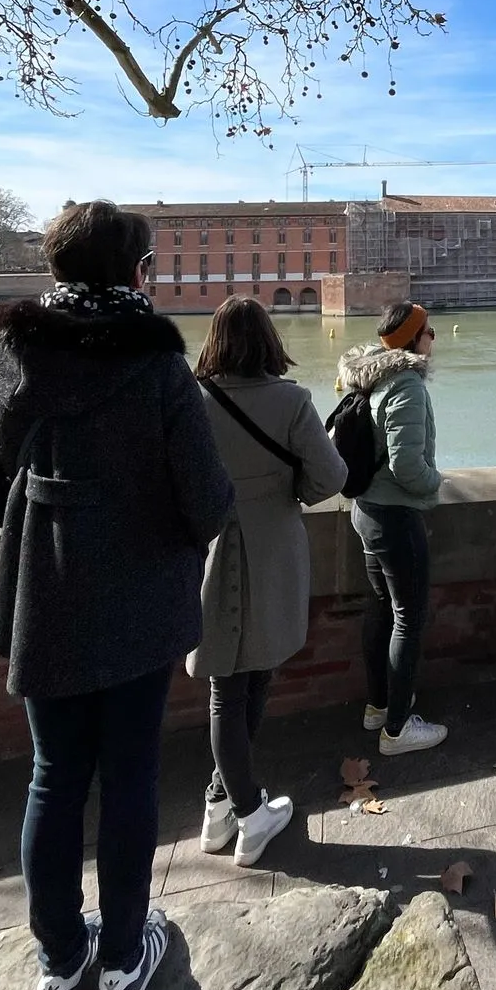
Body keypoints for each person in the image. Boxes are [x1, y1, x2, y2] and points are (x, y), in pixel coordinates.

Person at [0, 200, 234, 990]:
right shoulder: (159, 368)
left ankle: (61, 960)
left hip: (48, 603)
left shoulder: (8, 353)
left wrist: (49, 514)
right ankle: (122, 960)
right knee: (132, 776)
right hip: (140, 604)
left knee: (54, 776)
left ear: (58, 269)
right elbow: (208, 505)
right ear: (139, 273)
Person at [191, 298, 348, 866]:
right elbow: (331, 476)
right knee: (244, 683)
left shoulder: (193, 400)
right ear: (267, 341)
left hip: (211, 551)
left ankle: (220, 805)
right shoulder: (292, 401)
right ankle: (249, 816)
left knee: (230, 682)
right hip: (274, 548)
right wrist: (292, 495)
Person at [336, 300, 448, 754]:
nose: (434, 338)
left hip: (366, 511)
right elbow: (406, 465)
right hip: (395, 516)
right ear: (413, 340)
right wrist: (436, 482)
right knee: (409, 619)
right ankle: (398, 729)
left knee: (381, 610)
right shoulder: (406, 386)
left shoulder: (373, 377)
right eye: (429, 331)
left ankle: (379, 706)